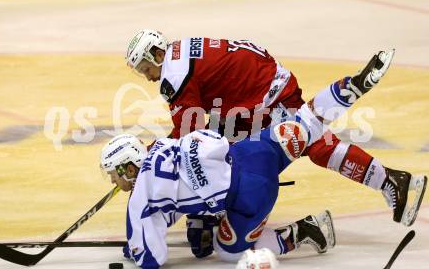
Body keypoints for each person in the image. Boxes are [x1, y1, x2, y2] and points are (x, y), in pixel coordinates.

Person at [100, 60, 427, 268]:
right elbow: (213, 142)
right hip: (251, 153)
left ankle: (301, 233)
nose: (116, 182)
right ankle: (350, 87)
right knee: (308, 121)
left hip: (251, 197)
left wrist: (134, 248)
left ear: (129, 167)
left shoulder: (140, 197)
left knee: (226, 250)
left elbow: (152, 258)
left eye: (115, 175)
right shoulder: (167, 143)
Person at [124, 30, 422, 227]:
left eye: (144, 69)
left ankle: (389, 181)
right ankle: (222, 203)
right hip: (258, 89)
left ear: (156, 55)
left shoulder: (174, 75)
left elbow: (187, 135)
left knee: (311, 143)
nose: (147, 77)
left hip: (265, 95)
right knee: (230, 143)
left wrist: (147, 160)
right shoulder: (181, 50)